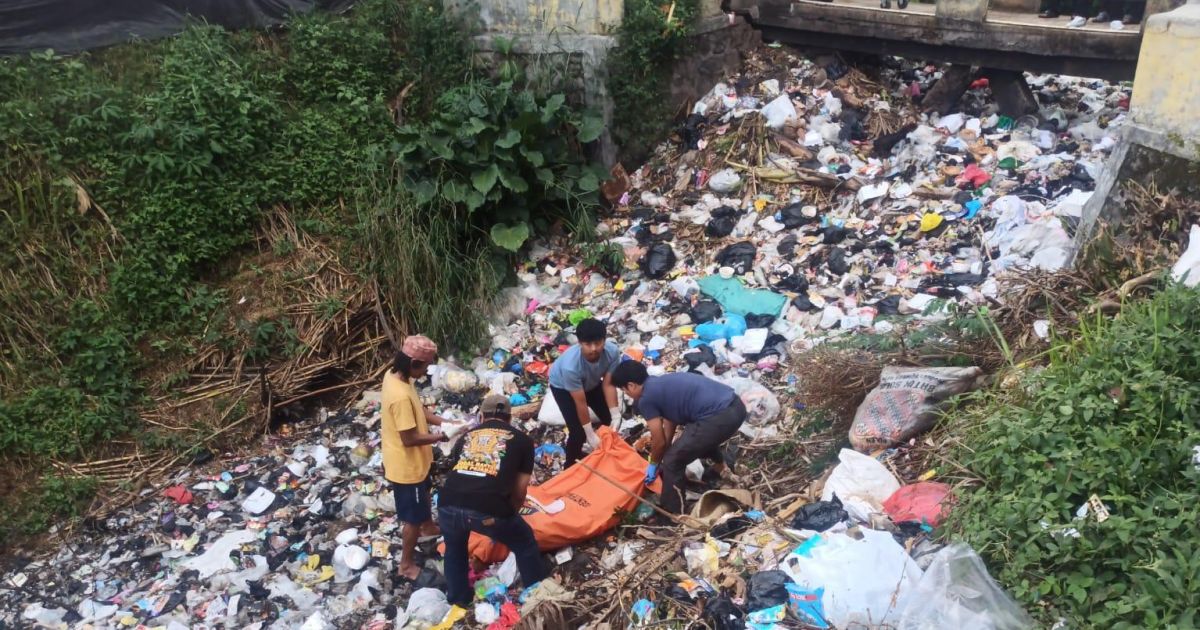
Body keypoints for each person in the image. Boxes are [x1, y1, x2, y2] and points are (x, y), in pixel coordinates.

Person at [439, 395, 546, 610]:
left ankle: (459, 600)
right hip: (487, 508)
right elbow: (520, 489)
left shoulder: (467, 436)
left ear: (481, 416)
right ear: (509, 418)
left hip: (447, 503)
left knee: (455, 548)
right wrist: (509, 517)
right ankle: (537, 596)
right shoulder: (522, 440)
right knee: (524, 542)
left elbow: (454, 471)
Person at [611, 362, 748, 514]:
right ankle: (722, 471)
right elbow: (670, 422)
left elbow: (658, 439)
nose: (627, 394)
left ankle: (674, 512)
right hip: (737, 407)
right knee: (693, 442)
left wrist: (654, 463)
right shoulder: (662, 383)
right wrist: (666, 448)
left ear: (631, 386)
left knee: (673, 461)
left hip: (718, 417)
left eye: (624, 390)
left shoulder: (645, 398)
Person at [381, 334, 449, 581]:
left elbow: (418, 410)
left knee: (425, 490)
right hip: (406, 466)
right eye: (425, 366)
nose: (426, 372)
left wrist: (446, 422)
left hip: (416, 462)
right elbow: (408, 438)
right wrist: (442, 436)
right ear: (413, 364)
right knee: (411, 518)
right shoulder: (399, 396)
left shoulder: (395, 377)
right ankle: (406, 565)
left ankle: (428, 527)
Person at [548, 318, 622, 467]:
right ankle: (570, 466)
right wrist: (589, 432)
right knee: (578, 433)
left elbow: (608, 384)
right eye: (588, 344)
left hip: (592, 382)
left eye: (598, 343)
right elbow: (580, 401)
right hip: (563, 387)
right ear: (580, 343)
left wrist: (615, 413)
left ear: (604, 340)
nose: (594, 349)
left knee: (609, 419)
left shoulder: (612, 352)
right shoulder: (571, 366)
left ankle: (609, 454)